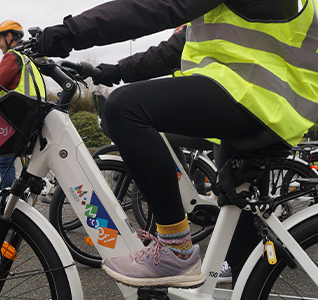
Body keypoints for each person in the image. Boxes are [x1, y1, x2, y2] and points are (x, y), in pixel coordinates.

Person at [36, 0, 318, 288]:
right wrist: (113, 70)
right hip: (263, 101)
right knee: (237, 222)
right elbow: (174, 49)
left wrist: (72, 31)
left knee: (124, 108)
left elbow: (161, 6)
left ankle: (176, 249)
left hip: (258, 97)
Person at [0, 20, 46, 189]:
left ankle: (8, 205)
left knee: (3, 163)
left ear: (9, 36)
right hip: (31, 117)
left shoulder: (12, 56)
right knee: (1, 159)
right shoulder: (27, 58)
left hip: (16, 118)